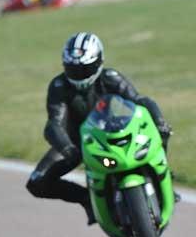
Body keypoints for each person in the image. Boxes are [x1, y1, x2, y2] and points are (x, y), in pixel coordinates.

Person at [26, 32, 172, 223]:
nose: (79, 75)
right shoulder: (59, 85)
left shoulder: (110, 77)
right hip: (78, 142)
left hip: (117, 131)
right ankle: (88, 199)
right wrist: (68, 148)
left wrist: (159, 121)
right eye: (73, 69)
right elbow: (54, 123)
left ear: (98, 62)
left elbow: (140, 101)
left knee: (161, 133)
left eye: (85, 69)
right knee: (37, 183)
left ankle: (163, 178)